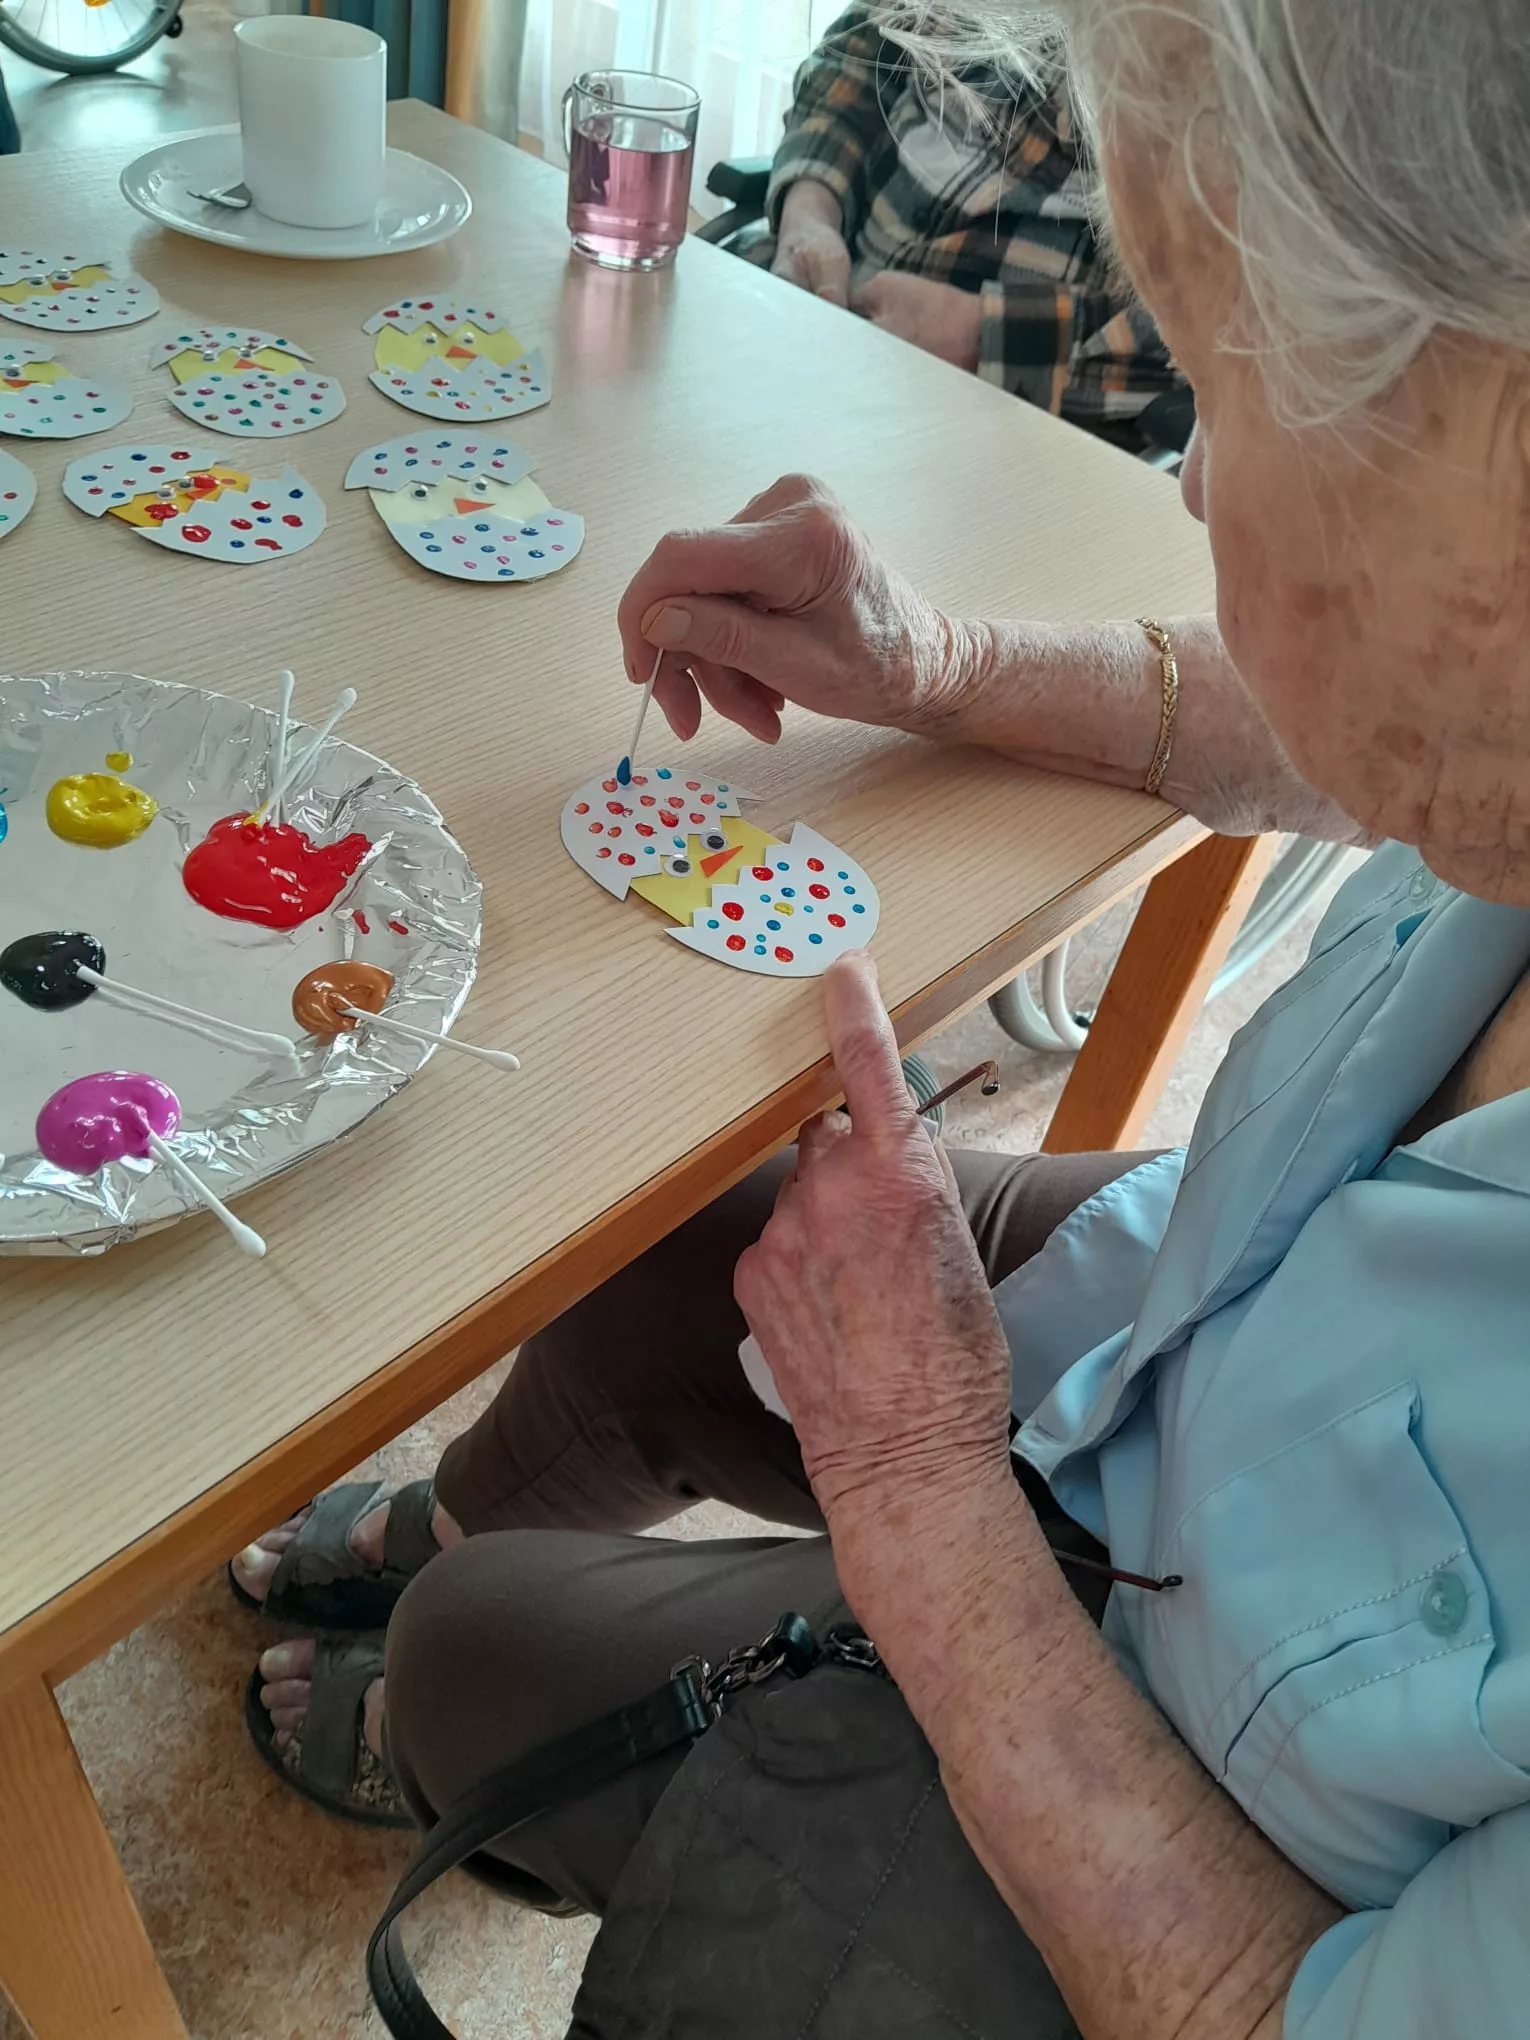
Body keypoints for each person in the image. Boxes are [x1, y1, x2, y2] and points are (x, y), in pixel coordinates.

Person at [244, 1, 1530, 2031]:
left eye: (1230, 385)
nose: (1193, 485)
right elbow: (1379, 717)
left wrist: (922, 1490)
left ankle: (446, 1645)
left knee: (477, 1665)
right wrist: (934, 661)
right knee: (683, 1251)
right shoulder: (1487, 683)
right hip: (1216, 1345)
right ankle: (450, 1522)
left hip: (1235, 1867)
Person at [741, 3, 1177, 440]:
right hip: (824, 317)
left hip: (1013, 416)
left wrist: (984, 334)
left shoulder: (1188, 39)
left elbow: (1203, 332)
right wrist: (809, 213)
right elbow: (858, 52)